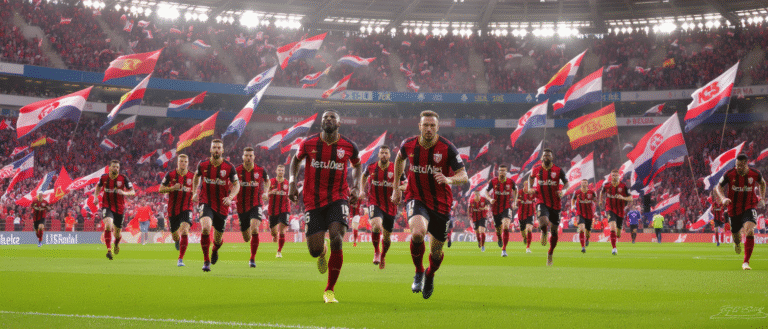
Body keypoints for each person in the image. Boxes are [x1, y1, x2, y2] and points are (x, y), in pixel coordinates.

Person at [391, 110, 468, 299]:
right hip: (416, 197)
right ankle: (418, 270)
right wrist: (395, 187)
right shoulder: (408, 144)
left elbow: (464, 176)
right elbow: (399, 159)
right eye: (425, 125)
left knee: (436, 253)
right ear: (419, 126)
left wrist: (449, 179)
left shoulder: (448, 148)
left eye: (432, 125)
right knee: (417, 233)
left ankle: (430, 274)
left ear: (437, 127)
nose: (428, 128)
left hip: (441, 204)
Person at [288, 110, 362, 303]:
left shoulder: (349, 146)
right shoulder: (309, 143)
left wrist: (357, 187)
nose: (328, 119)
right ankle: (322, 251)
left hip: (338, 197)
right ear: (321, 123)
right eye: (325, 118)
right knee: (314, 250)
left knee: (337, 238)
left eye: (332, 117)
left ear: (339, 123)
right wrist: (291, 183)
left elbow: (357, 165)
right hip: (312, 200)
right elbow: (295, 160)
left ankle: (329, 290)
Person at [191, 139, 240, 272]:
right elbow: (196, 177)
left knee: (218, 240)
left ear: (222, 150)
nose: (216, 150)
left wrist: (230, 197)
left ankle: (215, 250)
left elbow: (237, 185)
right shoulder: (203, 164)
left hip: (222, 205)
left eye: (219, 148)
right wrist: (195, 192)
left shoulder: (229, 167)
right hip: (206, 201)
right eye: (214, 147)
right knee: (206, 228)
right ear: (210, 150)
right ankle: (206, 261)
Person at [714, 153, 766, 270]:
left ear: (746, 164)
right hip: (733, 209)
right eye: (736, 165)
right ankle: (737, 243)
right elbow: (718, 186)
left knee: (750, 231)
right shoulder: (729, 174)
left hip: (749, 206)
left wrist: (762, 198)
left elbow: (762, 183)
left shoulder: (755, 173)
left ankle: (745, 262)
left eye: (740, 166)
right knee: (736, 236)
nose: (738, 167)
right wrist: (723, 198)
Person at [361, 145, 405, 268]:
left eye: (386, 153)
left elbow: (406, 184)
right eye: (382, 153)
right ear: (378, 155)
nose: (384, 155)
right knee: (376, 226)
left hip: (390, 206)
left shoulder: (396, 168)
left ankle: (383, 256)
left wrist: (398, 189)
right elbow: (363, 176)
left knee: (386, 238)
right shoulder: (371, 167)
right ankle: (376, 251)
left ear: (389, 155)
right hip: (374, 202)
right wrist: (362, 190)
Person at [528, 149, 568, 266]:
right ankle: (544, 231)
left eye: (548, 155)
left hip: (556, 203)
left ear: (552, 157)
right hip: (541, 200)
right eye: (544, 155)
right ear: (542, 157)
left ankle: (550, 253)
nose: (546, 157)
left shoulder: (558, 170)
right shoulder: (536, 169)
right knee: (543, 221)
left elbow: (567, 183)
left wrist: (563, 191)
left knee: (554, 231)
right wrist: (530, 187)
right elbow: (530, 177)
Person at [94, 160, 135, 260]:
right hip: (106, 206)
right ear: (109, 167)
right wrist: (95, 196)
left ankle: (116, 244)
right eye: (114, 167)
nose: (116, 168)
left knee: (117, 234)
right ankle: (109, 250)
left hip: (120, 208)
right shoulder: (104, 177)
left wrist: (124, 193)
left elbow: (133, 192)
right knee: (108, 225)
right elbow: (98, 186)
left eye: (117, 167)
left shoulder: (123, 178)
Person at [235, 147, 269, 268]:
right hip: (241, 206)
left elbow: (267, 181)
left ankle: (252, 258)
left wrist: (266, 192)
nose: (248, 158)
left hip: (256, 204)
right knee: (246, 238)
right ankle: (247, 230)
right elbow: (230, 184)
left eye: (250, 155)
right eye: (246, 155)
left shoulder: (261, 170)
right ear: (243, 157)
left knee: (255, 229)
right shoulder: (237, 170)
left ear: (254, 157)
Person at [159, 154, 195, 267]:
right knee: (175, 235)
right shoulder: (170, 175)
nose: (183, 163)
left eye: (185, 161)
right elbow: (160, 189)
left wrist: (196, 196)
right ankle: (176, 241)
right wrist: (172, 188)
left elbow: (195, 190)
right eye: (181, 161)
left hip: (187, 208)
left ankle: (180, 259)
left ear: (188, 163)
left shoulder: (192, 176)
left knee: (184, 231)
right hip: (173, 210)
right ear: (177, 163)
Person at [484, 165, 517, 257]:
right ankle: (499, 238)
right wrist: (490, 199)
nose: (502, 172)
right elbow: (486, 192)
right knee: (498, 230)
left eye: (504, 170)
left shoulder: (510, 182)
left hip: (507, 207)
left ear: (506, 172)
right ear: (498, 172)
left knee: (506, 227)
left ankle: (504, 249)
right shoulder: (493, 181)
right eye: (500, 170)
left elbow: (515, 190)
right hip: (496, 209)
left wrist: (514, 201)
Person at [599, 169, 631, 256]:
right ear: (611, 176)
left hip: (620, 210)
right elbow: (601, 192)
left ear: (619, 176)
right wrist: (600, 200)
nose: (614, 177)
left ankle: (617, 234)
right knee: (612, 228)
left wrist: (623, 198)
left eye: (616, 175)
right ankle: (614, 248)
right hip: (609, 209)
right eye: (613, 175)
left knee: (618, 231)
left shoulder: (623, 186)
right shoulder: (607, 185)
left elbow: (630, 198)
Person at [268, 164, 290, 258]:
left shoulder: (287, 183)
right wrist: (271, 192)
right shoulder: (271, 182)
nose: (281, 172)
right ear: (276, 171)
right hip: (272, 210)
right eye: (279, 170)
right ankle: (275, 237)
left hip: (284, 209)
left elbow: (291, 195)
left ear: (284, 172)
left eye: (282, 170)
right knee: (274, 233)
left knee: (282, 231)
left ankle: (279, 251)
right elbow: (264, 195)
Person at [571, 179, 596, 253]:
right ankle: (583, 247)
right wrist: (573, 205)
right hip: (580, 213)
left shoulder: (591, 192)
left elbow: (595, 200)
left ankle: (587, 239)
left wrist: (594, 202)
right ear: (581, 184)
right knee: (581, 229)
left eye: (585, 183)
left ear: (587, 184)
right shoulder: (577, 192)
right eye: (583, 183)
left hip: (589, 214)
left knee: (588, 231)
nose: (584, 184)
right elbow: (573, 199)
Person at [517, 181, 536, 253]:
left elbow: (537, 196)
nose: (528, 187)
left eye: (529, 186)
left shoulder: (532, 193)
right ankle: (525, 238)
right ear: (524, 186)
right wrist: (520, 201)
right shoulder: (520, 192)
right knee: (522, 231)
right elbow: (517, 200)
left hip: (530, 213)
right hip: (521, 214)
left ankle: (528, 247)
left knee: (529, 229)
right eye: (526, 186)